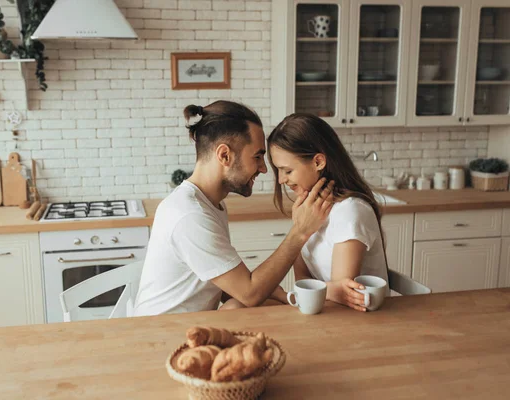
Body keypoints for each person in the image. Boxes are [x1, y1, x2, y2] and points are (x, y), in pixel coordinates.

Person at [133, 101, 334, 316]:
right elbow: (249, 292)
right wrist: (300, 231)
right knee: (242, 306)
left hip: (183, 328)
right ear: (224, 156)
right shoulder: (191, 215)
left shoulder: (208, 204)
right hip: (161, 337)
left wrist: (283, 297)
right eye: (257, 156)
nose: (264, 169)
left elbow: (229, 286)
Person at [267, 113, 389, 312]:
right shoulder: (309, 209)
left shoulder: (350, 211)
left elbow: (342, 295)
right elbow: (304, 281)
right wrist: (300, 228)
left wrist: (285, 295)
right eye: (278, 170)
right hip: (324, 310)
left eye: (287, 171)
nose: (281, 180)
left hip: (354, 320)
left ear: (318, 162)